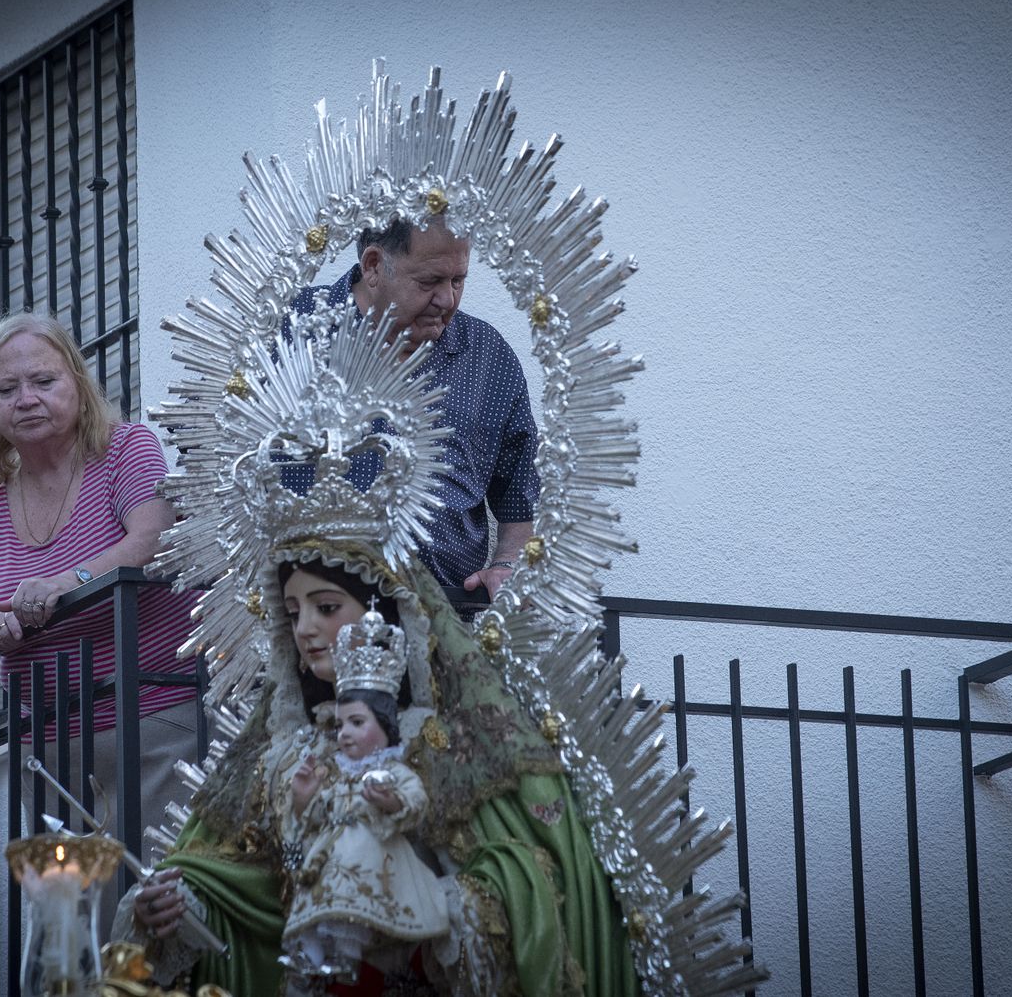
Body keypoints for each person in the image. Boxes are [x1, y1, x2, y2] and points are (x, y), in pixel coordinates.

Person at [113, 543, 640, 996]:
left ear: (384, 613)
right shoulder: (282, 754)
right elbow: (248, 885)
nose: (306, 629)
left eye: (325, 606)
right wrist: (180, 908)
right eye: (294, 612)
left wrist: (442, 909)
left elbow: (530, 881)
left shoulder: (457, 743)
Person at [0, 310, 200, 831]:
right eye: (6, 389)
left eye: (43, 381)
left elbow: (152, 537)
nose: (27, 399)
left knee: (158, 902)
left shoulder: (125, 448)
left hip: (151, 716)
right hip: (47, 748)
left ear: (77, 385)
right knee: (71, 912)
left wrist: (66, 583)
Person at [290, 218, 538, 599]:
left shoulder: (488, 355)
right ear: (373, 266)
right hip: (305, 628)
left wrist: (506, 565)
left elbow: (518, 494)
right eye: (430, 282)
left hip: (445, 626)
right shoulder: (289, 330)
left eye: (458, 281)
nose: (448, 300)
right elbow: (220, 453)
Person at [277, 608, 449, 989]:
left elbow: (415, 801)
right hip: (332, 857)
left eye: (357, 723)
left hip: (375, 860)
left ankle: (346, 959)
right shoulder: (335, 773)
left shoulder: (393, 770)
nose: (344, 734)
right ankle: (313, 957)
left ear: (385, 727)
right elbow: (323, 814)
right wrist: (305, 800)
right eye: (340, 725)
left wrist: (390, 802)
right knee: (317, 903)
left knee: (352, 914)